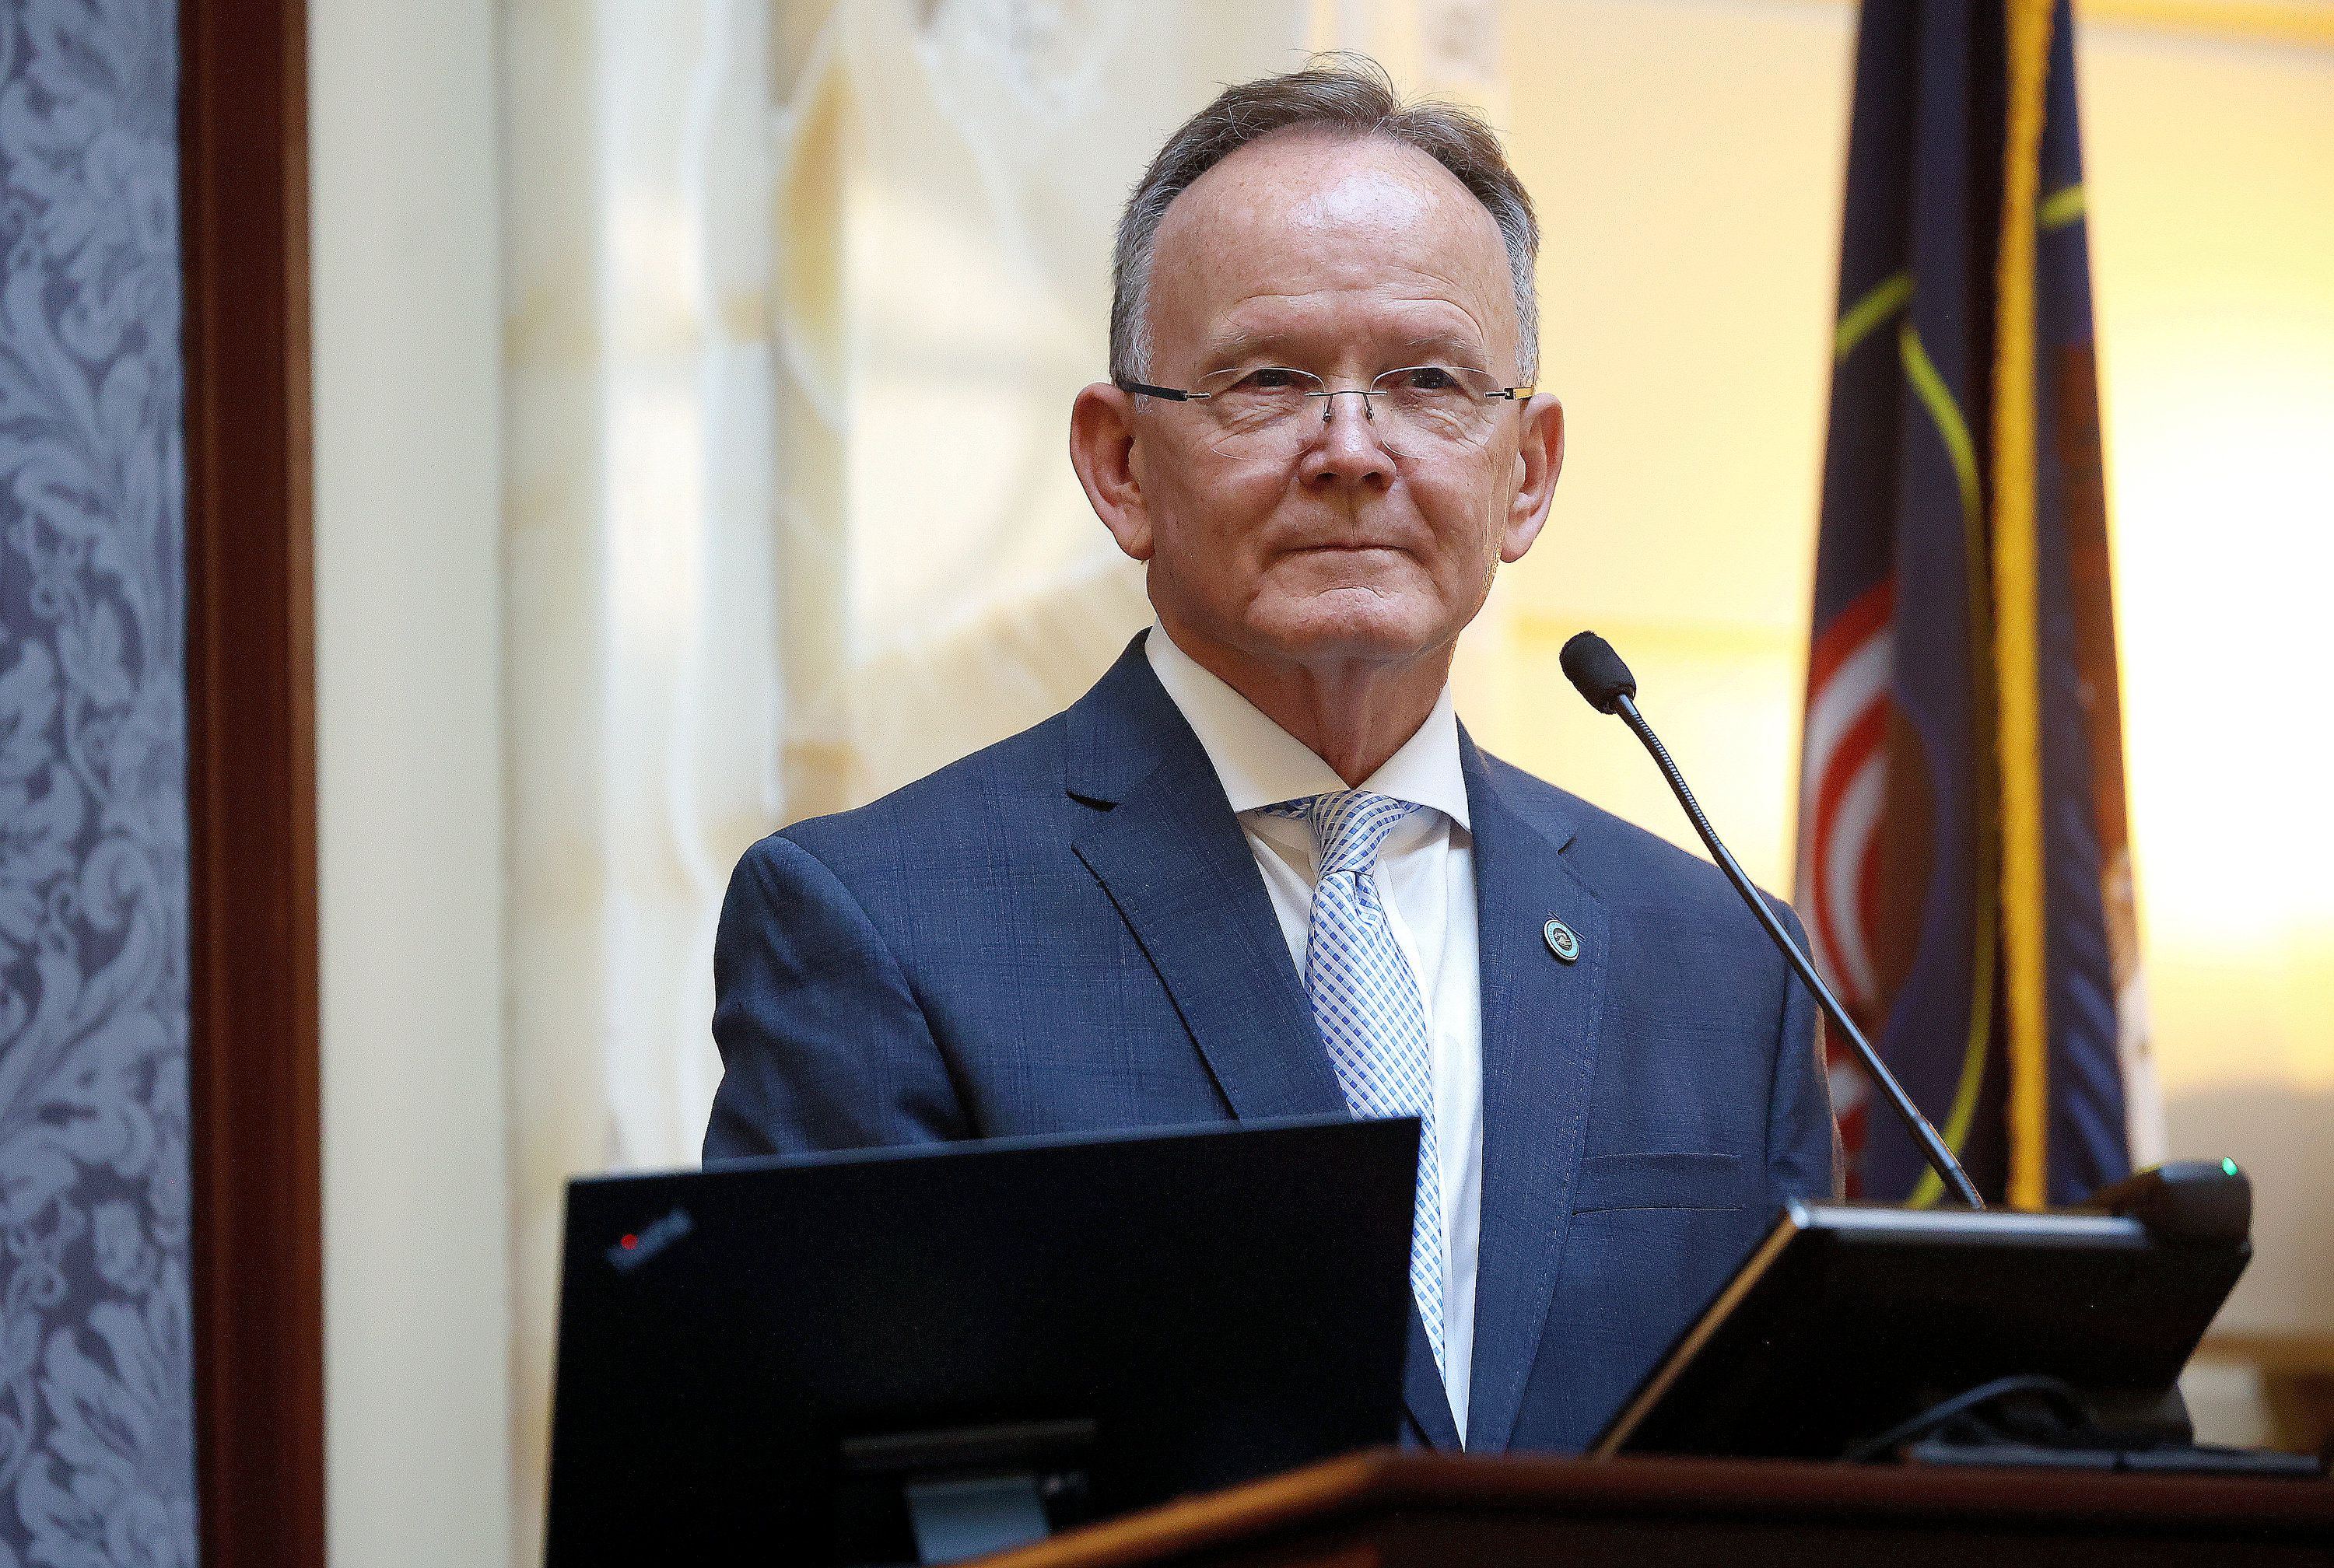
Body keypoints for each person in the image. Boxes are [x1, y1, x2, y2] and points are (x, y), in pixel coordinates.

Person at [705, 58, 1839, 1454]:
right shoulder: (880, 927)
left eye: (1427, 383)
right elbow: (833, 1499)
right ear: (1120, 463)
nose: (1353, 450)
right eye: (1268, 382)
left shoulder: (1725, 960)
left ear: (1526, 474)